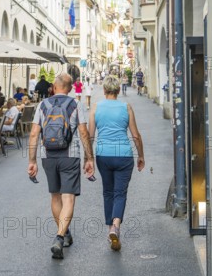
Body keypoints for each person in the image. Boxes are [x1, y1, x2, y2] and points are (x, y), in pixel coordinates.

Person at [27, 73, 94, 260]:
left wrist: (32, 161)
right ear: (71, 88)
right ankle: (59, 236)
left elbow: (34, 134)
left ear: (54, 87)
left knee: (55, 196)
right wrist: (90, 158)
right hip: (69, 156)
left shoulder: (42, 105)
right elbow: (83, 132)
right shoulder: (76, 105)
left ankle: (63, 233)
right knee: (69, 198)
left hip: (47, 156)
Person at [88, 75, 145, 251]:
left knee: (108, 192)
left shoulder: (96, 107)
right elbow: (135, 135)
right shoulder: (126, 107)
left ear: (104, 90)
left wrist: (88, 158)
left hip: (103, 155)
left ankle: (109, 230)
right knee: (120, 193)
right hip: (123, 156)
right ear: (118, 90)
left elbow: (90, 136)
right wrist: (141, 155)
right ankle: (116, 225)